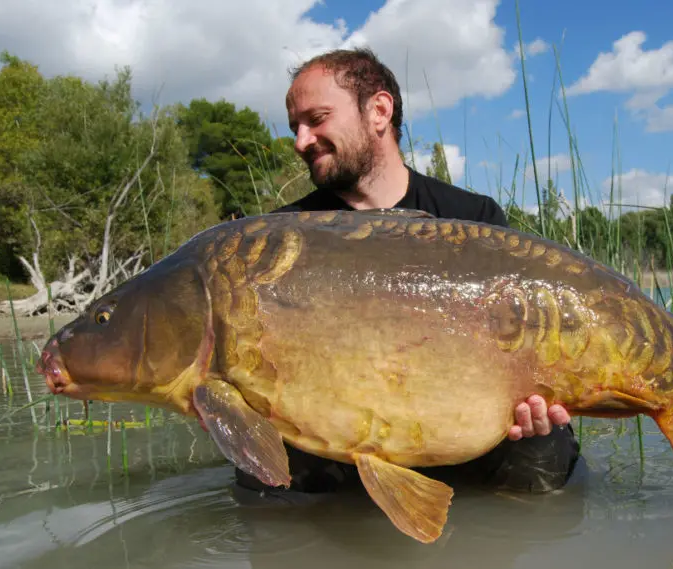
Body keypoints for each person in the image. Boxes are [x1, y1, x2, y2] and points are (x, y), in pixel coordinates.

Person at [234, 47, 581, 497]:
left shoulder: (473, 218)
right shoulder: (285, 237)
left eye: (316, 119)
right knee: (258, 478)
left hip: (465, 432)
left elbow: (522, 344)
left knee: (550, 449)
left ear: (379, 111)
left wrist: (535, 402)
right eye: (295, 127)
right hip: (340, 443)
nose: (301, 141)